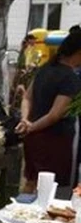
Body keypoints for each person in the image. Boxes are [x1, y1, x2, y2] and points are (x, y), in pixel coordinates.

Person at [17, 27, 81, 193]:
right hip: (56, 140)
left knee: (31, 182)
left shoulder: (45, 69)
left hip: (33, 137)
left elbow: (27, 98)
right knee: (55, 189)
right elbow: (55, 115)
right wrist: (31, 126)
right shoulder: (70, 78)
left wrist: (26, 121)